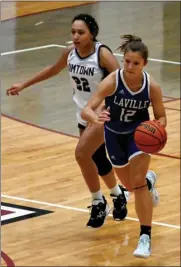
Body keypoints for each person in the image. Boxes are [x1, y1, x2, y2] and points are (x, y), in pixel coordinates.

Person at [6, 15, 155, 230]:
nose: (75, 36)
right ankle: (118, 194)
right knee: (97, 159)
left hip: (103, 114)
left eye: (81, 32)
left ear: (91, 34)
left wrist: (105, 108)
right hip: (83, 113)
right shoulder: (69, 53)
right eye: (73, 32)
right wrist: (25, 84)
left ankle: (98, 201)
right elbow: (53, 69)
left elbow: (120, 82)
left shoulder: (102, 54)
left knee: (82, 154)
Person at [81, 34, 166, 257]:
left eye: (135, 63)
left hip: (138, 137)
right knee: (131, 184)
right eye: (127, 61)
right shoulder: (112, 81)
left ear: (144, 64)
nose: (129, 66)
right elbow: (87, 109)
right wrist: (94, 118)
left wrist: (157, 128)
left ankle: (145, 237)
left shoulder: (151, 87)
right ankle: (149, 181)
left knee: (136, 186)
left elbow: (161, 116)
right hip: (114, 136)